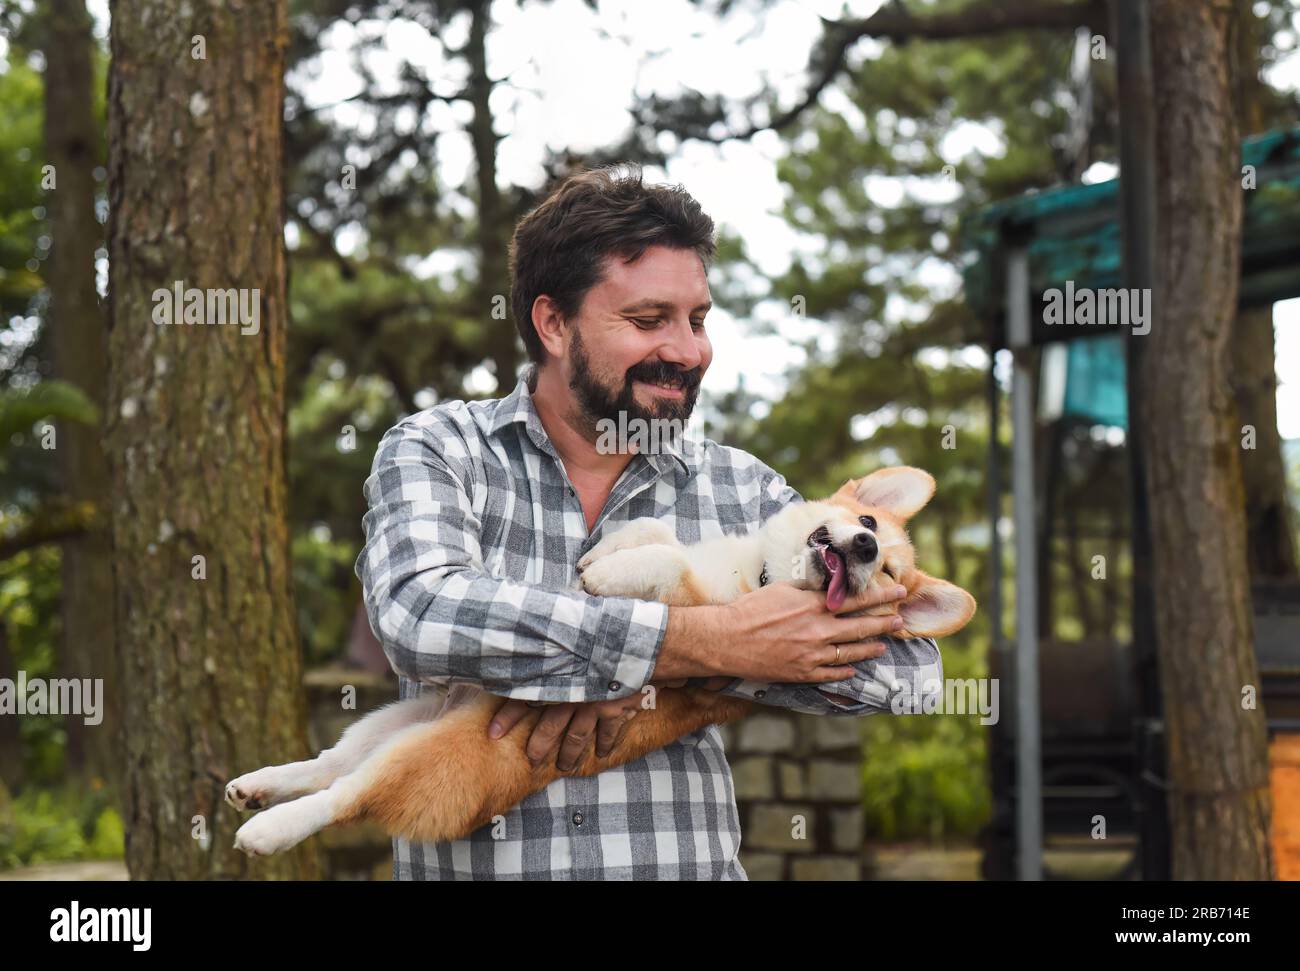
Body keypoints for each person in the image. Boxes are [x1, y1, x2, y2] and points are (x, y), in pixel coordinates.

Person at [355, 163, 942, 880]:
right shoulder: (441, 449)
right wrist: (704, 640)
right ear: (553, 323)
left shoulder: (741, 485)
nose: (688, 350)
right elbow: (423, 616)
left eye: (697, 319)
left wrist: (695, 675)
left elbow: (911, 675)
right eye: (648, 320)